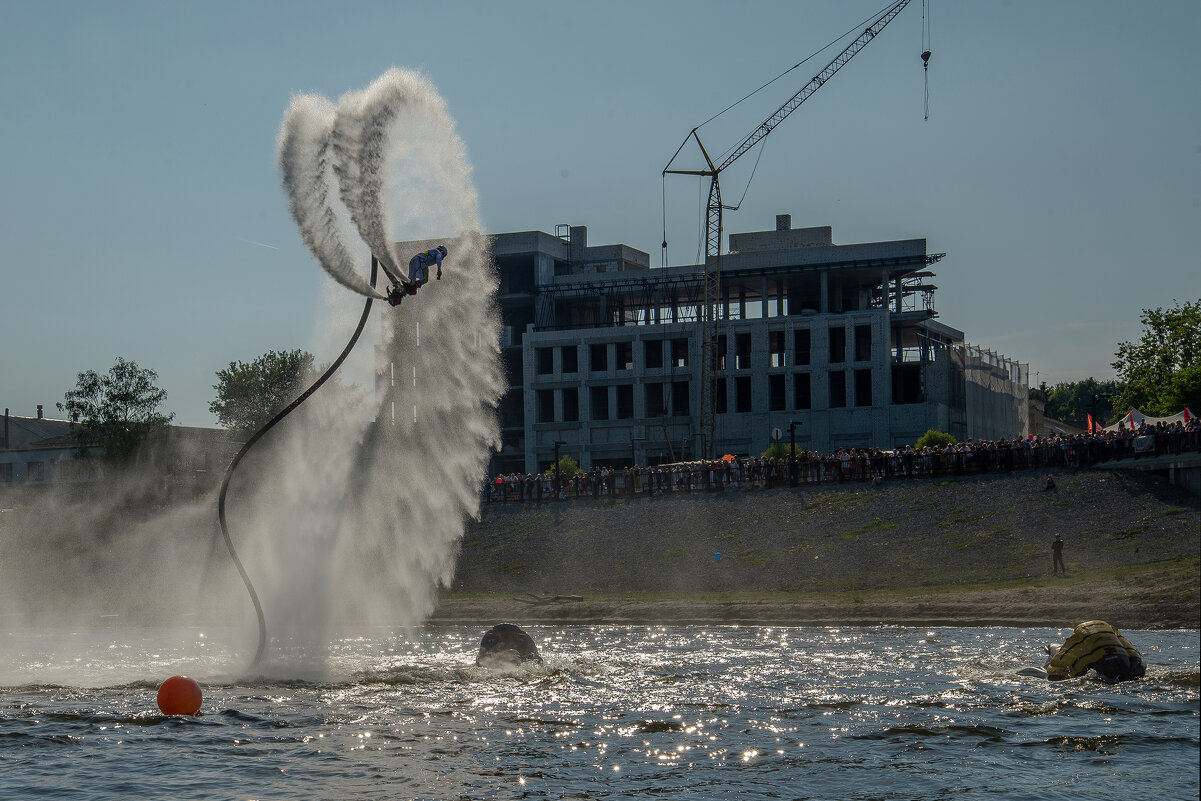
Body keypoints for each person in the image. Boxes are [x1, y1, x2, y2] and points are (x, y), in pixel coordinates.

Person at [1043, 620, 1146, 682]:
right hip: (1127, 669)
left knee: (1055, 676)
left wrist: (1054, 676)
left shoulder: (1082, 643)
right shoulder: (1134, 667)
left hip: (1107, 670)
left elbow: (1056, 671)